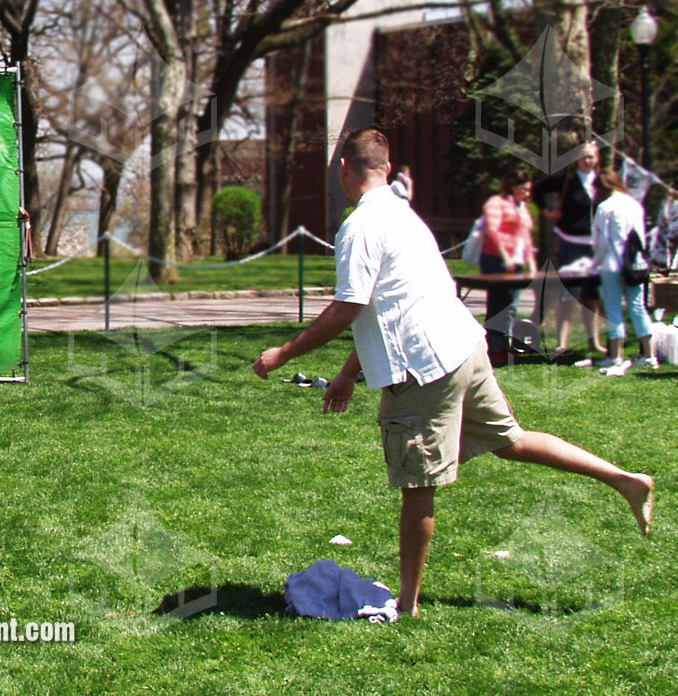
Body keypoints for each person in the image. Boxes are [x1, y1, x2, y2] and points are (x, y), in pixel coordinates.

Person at [252, 128, 654, 617]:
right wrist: (345, 373)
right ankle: (624, 479)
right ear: (385, 166)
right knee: (513, 441)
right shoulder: (405, 215)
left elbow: (348, 307)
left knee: (416, 485)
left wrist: (283, 354)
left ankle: (409, 602)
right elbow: (391, 304)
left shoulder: (359, 226)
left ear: (343, 169)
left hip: (423, 370)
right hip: (464, 348)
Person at [533, 142, 604, 354]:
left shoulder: (601, 182)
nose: (587, 161)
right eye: (584, 157)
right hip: (571, 244)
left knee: (591, 295)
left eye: (591, 157)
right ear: (577, 159)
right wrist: (546, 211)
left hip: (595, 246)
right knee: (568, 294)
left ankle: (594, 341)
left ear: (597, 158)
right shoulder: (566, 179)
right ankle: (561, 343)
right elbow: (538, 189)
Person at [592, 169, 658, 375]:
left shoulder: (604, 207)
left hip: (612, 263)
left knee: (613, 309)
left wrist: (596, 262)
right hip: (635, 263)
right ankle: (649, 355)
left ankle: (616, 356)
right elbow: (642, 238)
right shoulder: (634, 205)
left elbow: (601, 242)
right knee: (638, 308)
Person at [480, 169, 537, 361]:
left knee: (512, 304)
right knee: (499, 303)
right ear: (513, 186)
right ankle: (494, 347)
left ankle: (505, 345)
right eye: (524, 189)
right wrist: (506, 257)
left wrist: (531, 263)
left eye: (529, 190)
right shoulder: (497, 203)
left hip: (517, 261)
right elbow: (493, 231)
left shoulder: (522, 207)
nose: (528, 193)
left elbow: (526, 236)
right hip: (496, 260)